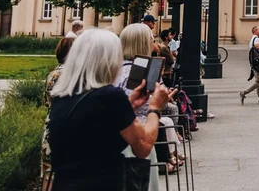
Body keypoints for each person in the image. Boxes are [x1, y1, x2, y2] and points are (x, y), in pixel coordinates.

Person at [48, 28, 172, 190]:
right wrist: (155, 108)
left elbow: (96, 125)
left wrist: (129, 105)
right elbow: (143, 146)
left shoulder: (62, 96)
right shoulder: (109, 97)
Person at [115, 23, 183, 178]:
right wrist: (157, 103)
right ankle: (167, 158)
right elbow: (144, 108)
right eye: (151, 40)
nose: (154, 43)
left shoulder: (115, 69)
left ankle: (169, 156)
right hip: (138, 135)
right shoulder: (138, 74)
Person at [41, 36, 76, 189]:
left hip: (51, 125)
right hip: (66, 127)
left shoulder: (54, 73)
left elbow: (46, 101)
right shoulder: (70, 74)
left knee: (48, 173)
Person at [241, 25, 259, 105]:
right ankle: (244, 92)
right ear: (255, 31)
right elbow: (258, 46)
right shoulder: (256, 39)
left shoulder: (253, 39)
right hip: (258, 63)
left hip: (255, 62)